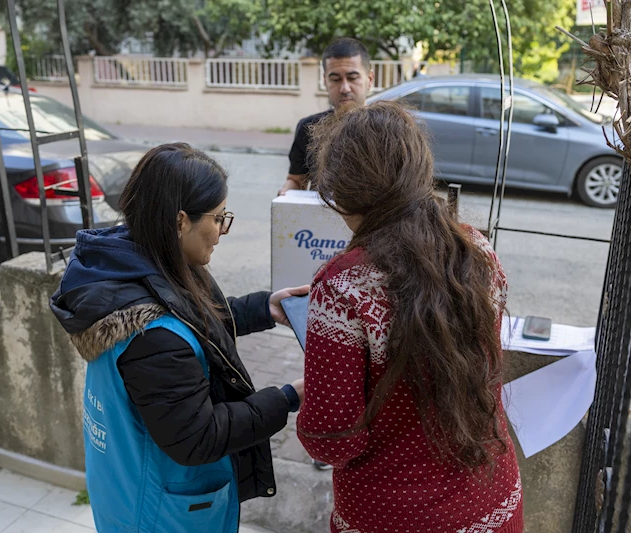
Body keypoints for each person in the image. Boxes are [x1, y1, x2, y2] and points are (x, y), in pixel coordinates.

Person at [50, 143, 308, 533]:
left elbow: (190, 317)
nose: (222, 230)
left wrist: (263, 309)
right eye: (219, 218)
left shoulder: (129, 263)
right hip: (158, 512)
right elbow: (198, 436)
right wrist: (289, 397)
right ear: (180, 221)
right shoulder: (153, 338)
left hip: (127, 479)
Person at [296, 102, 523, 533]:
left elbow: (333, 438)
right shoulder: (477, 251)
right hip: (491, 497)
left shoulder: (343, 286)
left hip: (390, 513)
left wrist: (313, 392)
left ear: (342, 190)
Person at [277, 37, 374, 196]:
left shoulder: (388, 130)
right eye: (335, 79)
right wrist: (286, 195)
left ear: (369, 79)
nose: (344, 88)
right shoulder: (309, 128)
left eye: (352, 78)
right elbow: (296, 180)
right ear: (325, 81)